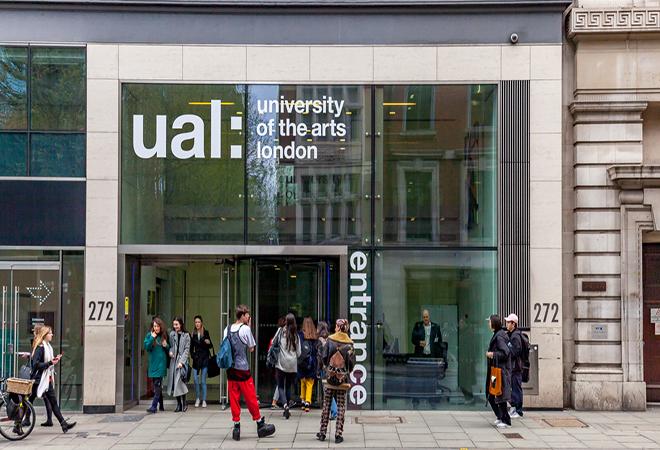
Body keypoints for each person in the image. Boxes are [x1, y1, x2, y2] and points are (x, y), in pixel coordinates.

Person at [224, 304, 275, 441]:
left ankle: (236, 426)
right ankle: (259, 424)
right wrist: (249, 329)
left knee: (234, 398)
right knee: (250, 396)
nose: (249, 317)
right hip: (242, 369)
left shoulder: (227, 329)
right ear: (243, 316)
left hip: (230, 369)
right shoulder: (245, 329)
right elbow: (251, 347)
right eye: (247, 315)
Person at [30, 326, 76, 433]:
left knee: (53, 402)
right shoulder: (40, 347)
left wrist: (54, 360)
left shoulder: (48, 347)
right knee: (28, 402)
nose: (52, 335)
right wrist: (50, 363)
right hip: (38, 380)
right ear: (45, 335)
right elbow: (35, 365)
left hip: (47, 379)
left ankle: (63, 424)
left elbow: (46, 362)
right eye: (50, 333)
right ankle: (18, 424)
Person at [317, 319, 355, 444]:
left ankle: (322, 433)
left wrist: (327, 368)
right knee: (341, 407)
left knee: (326, 406)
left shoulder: (330, 340)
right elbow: (352, 364)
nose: (335, 328)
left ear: (338, 327)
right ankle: (338, 434)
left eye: (336, 326)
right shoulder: (349, 344)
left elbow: (323, 357)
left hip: (329, 378)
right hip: (342, 380)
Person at [273, 313, 301, 419]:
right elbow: (299, 352)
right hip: (292, 365)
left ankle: (285, 405)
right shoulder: (296, 335)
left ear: (285, 321)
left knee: (280, 386)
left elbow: (273, 342)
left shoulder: (280, 331)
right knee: (288, 386)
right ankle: (287, 407)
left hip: (281, 363)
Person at [486, 314, 512, 429]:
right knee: (492, 393)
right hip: (496, 370)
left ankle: (506, 420)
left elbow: (505, 352)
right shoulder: (497, 334)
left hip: (499, 371)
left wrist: (492, 354)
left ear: (494, 323)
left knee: (498, 394)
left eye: (489, 322)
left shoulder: (499, 336)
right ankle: (500, 416)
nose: (488, 324)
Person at [144, 317, 169, 414]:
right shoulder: (149, 335)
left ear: (160, 327)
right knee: (157, 385)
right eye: (154, 326)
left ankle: (154, 407)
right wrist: (152, 337)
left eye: (158, 326)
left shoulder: (163, 336)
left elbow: (169, 348)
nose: (156, 328)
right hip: (153, 364)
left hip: (161, 365)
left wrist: (166, 345)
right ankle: (161, 405)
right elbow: (146, 347)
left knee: (157, 385)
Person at [21, 323, 43, 428]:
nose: (33, 332)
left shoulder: (39, 344)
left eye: (34, 330)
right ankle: (25, 419)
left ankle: (23, 420)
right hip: (38, 377)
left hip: (37, 377)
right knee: (31, 398)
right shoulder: (37, 342)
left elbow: (36, 361)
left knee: (29, 398)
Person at [167, 316, 190, 412]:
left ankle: (184, 403)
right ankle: (179, 404)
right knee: (175, 384)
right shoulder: (172, 334)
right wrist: (170, 352)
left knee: (180, 383)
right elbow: (171, 346)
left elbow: (186, 350)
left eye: (176, 324)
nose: (175, 326)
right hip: (174, 361)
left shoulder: (186, 335)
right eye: (174, 325)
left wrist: (182, 362)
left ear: (181, 324)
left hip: (181, 362)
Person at [505, 313, 524, 418]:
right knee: (513, 388)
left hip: (516, 367)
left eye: (508, 322)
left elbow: (516, 351)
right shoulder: (511, 334)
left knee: (516, 389)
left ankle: (518, 410)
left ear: (514, 324)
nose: (507, 324)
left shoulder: (515, 336)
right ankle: (514, 408)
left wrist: (508, 350)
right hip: (513, 367)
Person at [191, 315, 212, 408]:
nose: (197, 324)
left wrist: (208, 342)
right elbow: (191, 349)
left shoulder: (205, 332)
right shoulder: (193, 333)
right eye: (196, 322)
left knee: (203, 380)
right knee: (195, 380)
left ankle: (203, 400)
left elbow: (210, 345)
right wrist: (193, 356)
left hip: (204, 359)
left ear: (201, 323)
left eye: (198, 322)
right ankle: (197, 398)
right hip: (196, 359)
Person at [317, 321, 337, 420]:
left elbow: (320, 358)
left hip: (324, 369)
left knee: (327, 391)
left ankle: (334, 411)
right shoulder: (330, 340)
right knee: (329, 389)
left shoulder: (320, 342)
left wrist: (318, 370)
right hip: (331, 368)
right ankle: (332, 411)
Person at [298, 317, 319, 412]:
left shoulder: (300, 335)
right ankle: (307, 402)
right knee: (310, 383)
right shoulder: (315, 335)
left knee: (303, 382)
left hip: (302, 361)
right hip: (312, 362)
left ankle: (302, 400)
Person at [270, 316, 286, 409]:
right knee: (281, 381)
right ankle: (275, 401)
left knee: (282, 381)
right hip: (281, 360)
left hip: (280, 360)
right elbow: (273, 342)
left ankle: (280, 401)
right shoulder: (281, 330)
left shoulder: (281, 331)